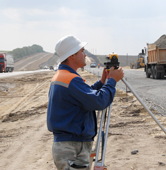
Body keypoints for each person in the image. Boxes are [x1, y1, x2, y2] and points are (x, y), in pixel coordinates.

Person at [47, 35, 124, 170]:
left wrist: (101, 83)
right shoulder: (71, 79)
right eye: (82, 51)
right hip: (72, 146)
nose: (85, 54)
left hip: (70, 143)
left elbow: (84, 95)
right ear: (72, 55)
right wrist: (112, 82)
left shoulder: (64, 76)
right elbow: (98, 101)